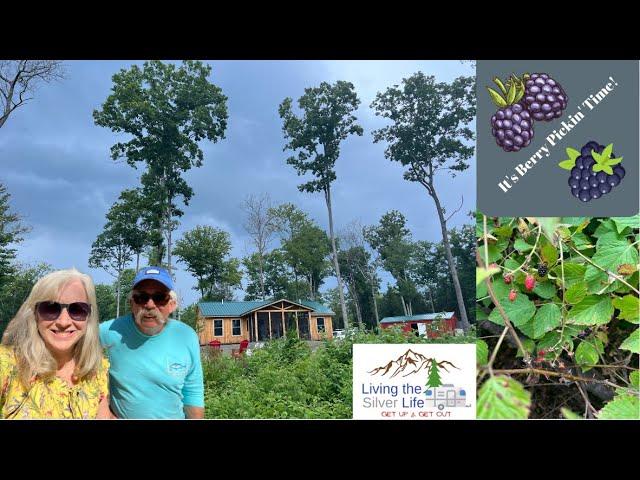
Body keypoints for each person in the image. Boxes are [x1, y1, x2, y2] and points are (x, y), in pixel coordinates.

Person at [0, 269, 110, 419]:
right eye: (50, 308)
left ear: (89, 317)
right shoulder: (8, 364)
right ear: (34, 314)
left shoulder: (96, 369)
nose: (63, 322)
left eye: (77, 309)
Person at [99, 266, 204, 419]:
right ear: (131, 302)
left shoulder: (186, 336)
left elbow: (193, 392)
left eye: (160, 298)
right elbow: (73, 350)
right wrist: (104, 412)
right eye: (142, 297)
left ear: (172, 304)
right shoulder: (112, 330)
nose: (150, 305)